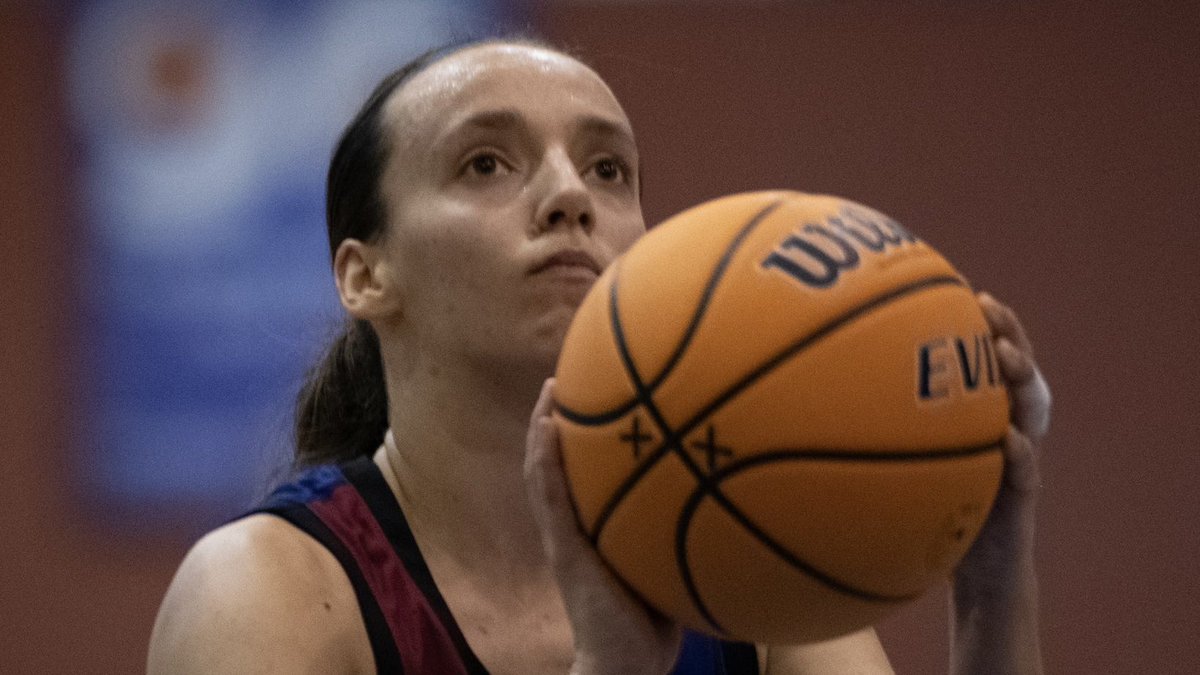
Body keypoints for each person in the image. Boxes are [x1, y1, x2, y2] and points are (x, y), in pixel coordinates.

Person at [147, 37, 1052, 674]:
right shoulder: (266, 590)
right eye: (487, 164)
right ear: (365, 273)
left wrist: (991, 578)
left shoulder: (737, 552)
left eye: (608, 169)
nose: (569, 195)